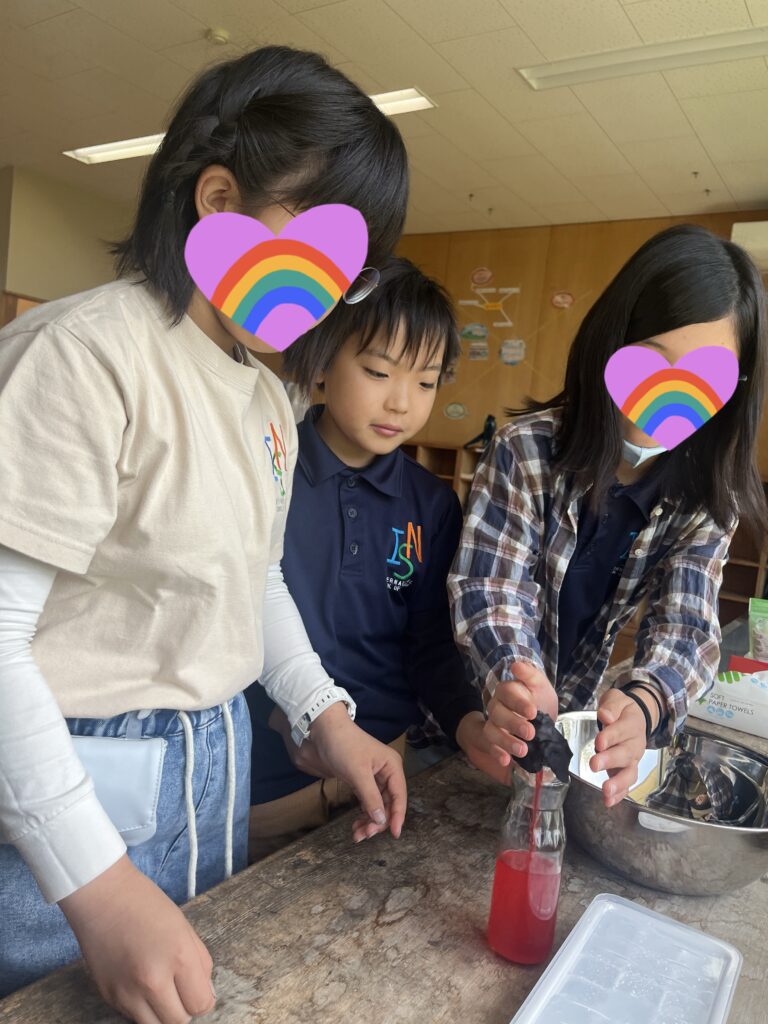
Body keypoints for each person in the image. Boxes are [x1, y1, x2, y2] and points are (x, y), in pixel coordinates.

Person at [0, 46, 410, 1021]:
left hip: (209, 773)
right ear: (219, 199)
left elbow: (251, 580)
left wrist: (325, 715)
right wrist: (97, 882)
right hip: (66, 786)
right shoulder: (85, 355)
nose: (326, 295)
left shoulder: (266, 398)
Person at [449, 224, 767, 807]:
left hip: (571, 732)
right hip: (476, 719)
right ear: (611, 345)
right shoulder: (526, 451)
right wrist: (519, 678)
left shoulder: (706, 498)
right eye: (653, 361)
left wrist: (645, 704)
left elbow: (686, 626)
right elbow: (492, 589)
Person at [247, 257, 493, 860]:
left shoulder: (432, 504)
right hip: (267, 785)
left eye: (426, 382)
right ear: (321, 362)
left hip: (386, 774)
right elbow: (231, 619)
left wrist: (468, 723)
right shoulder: (268, 472)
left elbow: (430, 646)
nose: (402, 402)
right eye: (379, 371)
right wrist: (293, 717)